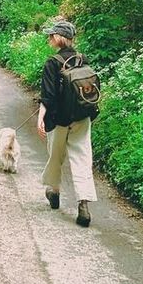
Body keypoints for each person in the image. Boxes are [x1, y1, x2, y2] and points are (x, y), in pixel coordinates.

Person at [36, 20, 98, 227]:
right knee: (82, 159)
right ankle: (83, 206)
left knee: (56, 156)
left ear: (57, 38)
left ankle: (54, 192)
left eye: (51, 36)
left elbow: (48, 96)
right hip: (82, 117)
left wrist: (41, 118)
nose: (49, 39)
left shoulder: (52, 63)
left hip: (59, 120)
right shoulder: (83, 59)